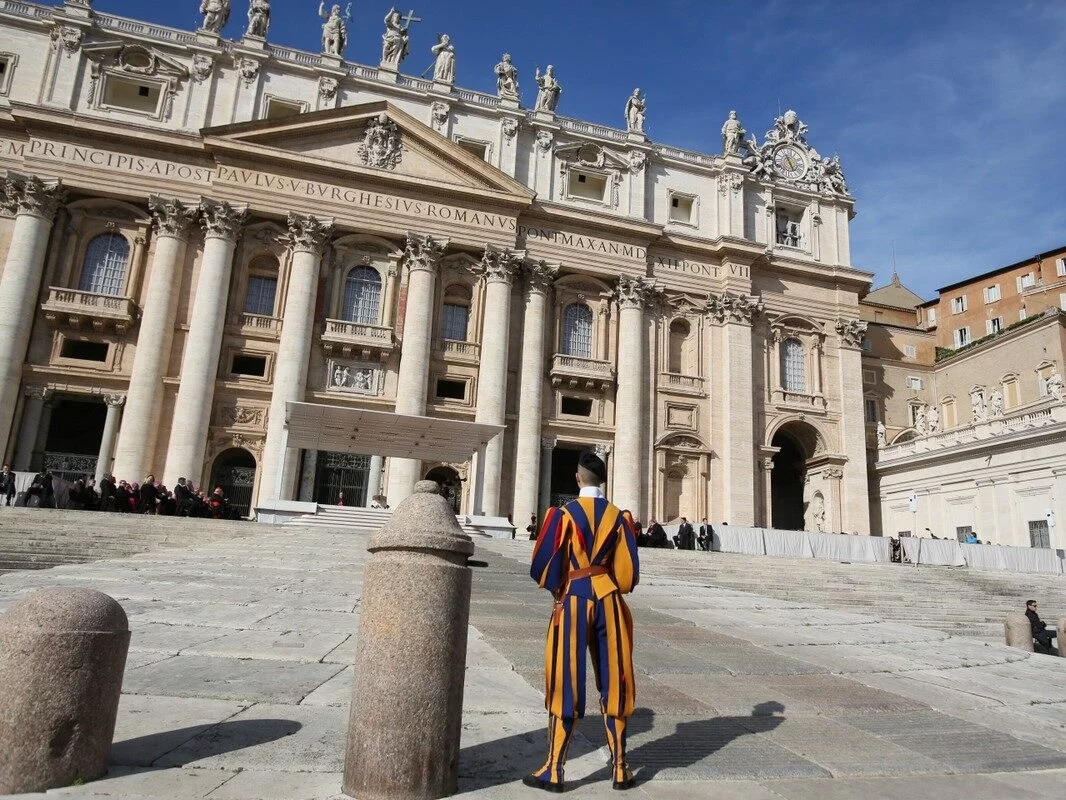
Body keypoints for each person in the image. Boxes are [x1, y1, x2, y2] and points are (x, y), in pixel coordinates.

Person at [526, 450, 639, 792]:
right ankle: (620, 768)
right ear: (602, 480)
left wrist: (561, 586)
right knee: (615, 679)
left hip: (573, 598)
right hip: (609, 600)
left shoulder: (562, 515)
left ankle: (554, 769)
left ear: (577, 479)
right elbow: (628, 575)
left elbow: (543, 566)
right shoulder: (620, 517)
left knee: (566, 679)